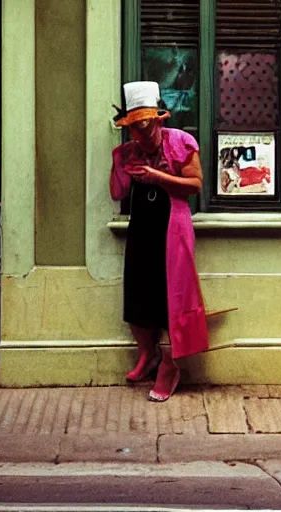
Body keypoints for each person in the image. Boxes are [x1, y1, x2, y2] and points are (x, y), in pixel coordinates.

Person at [109, 81, 208, 402]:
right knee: (138, 293)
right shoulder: (131, 150)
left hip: (173, 227)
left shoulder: (181, 141)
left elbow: (194, 185)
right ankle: (147, 354)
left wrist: (157, 177)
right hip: (142, 227)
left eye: (145, 126)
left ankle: (169, 366)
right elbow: (117, 193)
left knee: (172, 297)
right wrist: (118, 161)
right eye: (133, 129)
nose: (140, 135)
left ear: (159, 119)